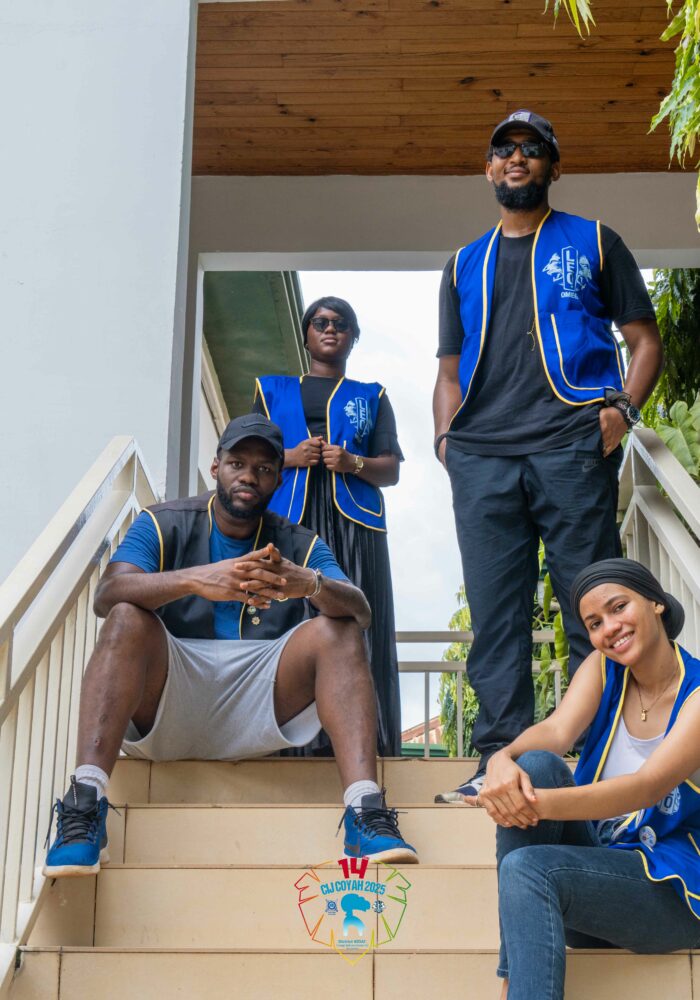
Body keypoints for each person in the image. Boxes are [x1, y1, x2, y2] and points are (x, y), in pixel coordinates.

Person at [43, 414, 418, 877]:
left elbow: (360, 610)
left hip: (261, 698)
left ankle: (365, 811)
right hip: (171, 694)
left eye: (264, 469)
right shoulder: (162, 522)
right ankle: (84, 807)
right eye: (238, 463)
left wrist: (310, 583)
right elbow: (107, 595)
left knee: (338, 628)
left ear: (277, 480)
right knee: (125, 617)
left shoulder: (299, 543)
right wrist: (197, 580)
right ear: (216, 466)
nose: (249, 476)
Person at [433, 110, 664, 801]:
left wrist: (622, 411)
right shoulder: (462, 264)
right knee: (495, 614)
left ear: (552, 167)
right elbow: (448, 370)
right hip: (482, 454)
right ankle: (497, 761)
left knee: (590, 603)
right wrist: (446, 440)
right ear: (488, 169)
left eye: (532, 149)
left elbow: (644, 342)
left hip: (570, 443)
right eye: (503, 148)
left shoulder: (595, 240)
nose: (517, 157)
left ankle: (599, 754)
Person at [472, 558, 700, 1000]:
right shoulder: (603, 667)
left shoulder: (697, 694)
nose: (609, 628)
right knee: (535, 765)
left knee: (527, 867)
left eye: (619, 607)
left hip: (674, 895)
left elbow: (647, 787)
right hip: (602, 878)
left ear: (655, 603)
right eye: (595, 623)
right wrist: (501, 758)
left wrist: (528, 804)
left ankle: (516, 988)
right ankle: (515, 977)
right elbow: (557, 731)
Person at [253, 296, 403, 756]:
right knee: (284, 621)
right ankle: (285, 746)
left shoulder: (373, 395)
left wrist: (353, 461)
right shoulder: (270, 390)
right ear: (306, 334)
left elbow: (391, 469)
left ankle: (366, 741)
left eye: (341, 323)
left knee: (358, 617)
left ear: (353, 337)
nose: (330, 328)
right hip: (288, 522)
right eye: (320, 322)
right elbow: (247, 458)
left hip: (355, 526)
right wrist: (289, 457)